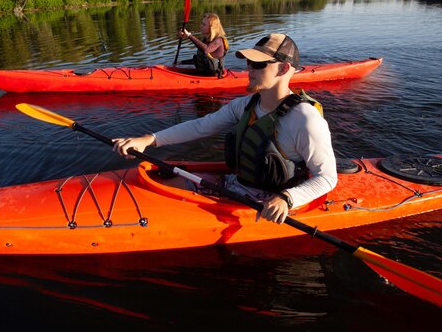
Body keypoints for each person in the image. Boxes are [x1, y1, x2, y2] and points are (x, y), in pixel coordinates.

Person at [113, 33, 337, 224]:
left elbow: (327, 177)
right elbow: (201, 126)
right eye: (248, 63)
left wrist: (286, 199)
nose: (248, 69)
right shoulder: (247, 104)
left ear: (284, 68)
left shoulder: (304, 119)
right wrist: (148, 139)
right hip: (234, 184)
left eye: (258, 64)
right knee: (164, 183)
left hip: (265, 204)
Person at [176, 12, 229, 77]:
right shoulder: (205, 40)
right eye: (202, 23)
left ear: (211, 28)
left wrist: (189, 35)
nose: (201, 26)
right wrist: (181, 62)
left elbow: (206, 49)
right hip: (204, 75)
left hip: (215, 76)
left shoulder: (218, 40)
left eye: (204, 24)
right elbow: (201, 59)